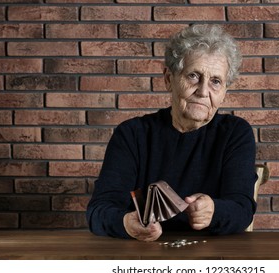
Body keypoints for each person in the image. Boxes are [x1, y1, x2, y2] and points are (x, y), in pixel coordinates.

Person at [86, 24, 257, 241]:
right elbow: (98, 210)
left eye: (215, 81)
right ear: (169, 79)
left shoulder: (235, 133)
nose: (203, 91)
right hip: (141, 254)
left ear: (224, 91)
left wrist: (214, 211)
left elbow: (242, 209)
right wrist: (125, 224)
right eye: (193, 76)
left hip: (214, 256)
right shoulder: (132, 134)